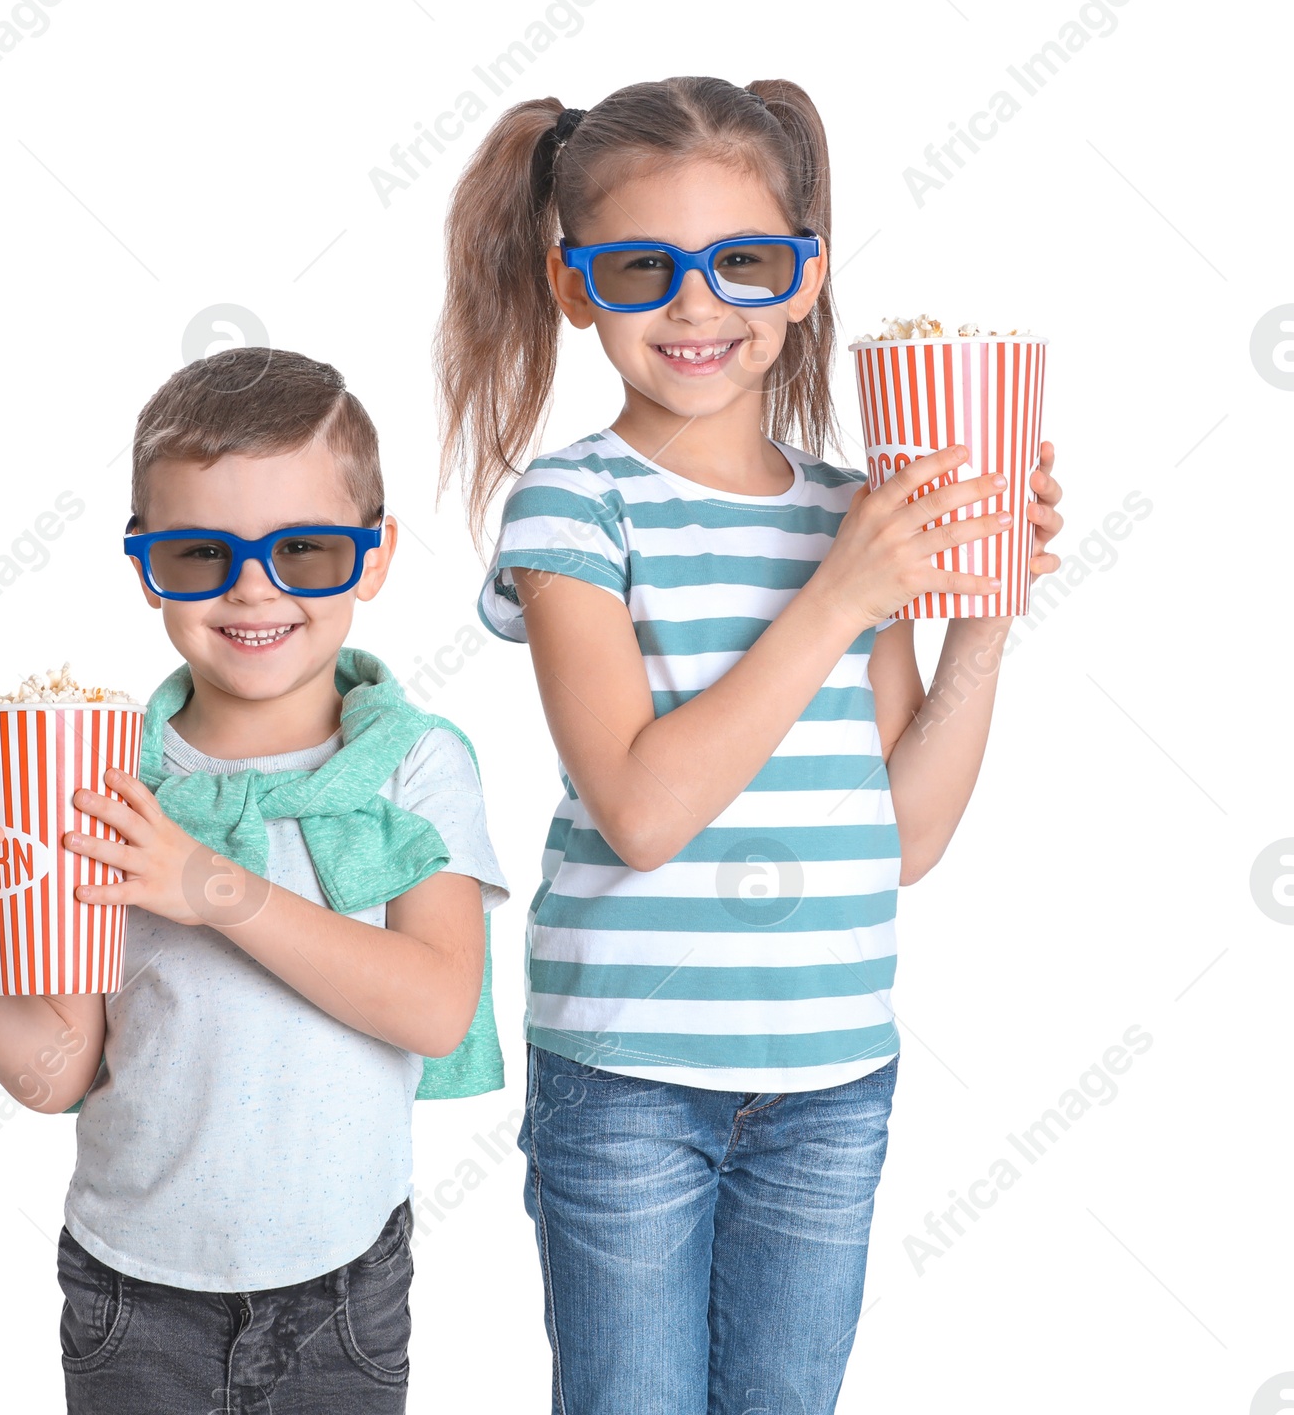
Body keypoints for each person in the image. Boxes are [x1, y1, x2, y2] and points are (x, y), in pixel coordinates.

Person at [434, 75, 1065, 1415]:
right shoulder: (573, 506)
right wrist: (843, 592)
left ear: (803, 276)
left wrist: (980, 621)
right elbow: (643, 812)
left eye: (744, 262)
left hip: (834, 1076)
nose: (698, 304)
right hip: (630, 1083)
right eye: (645, 267)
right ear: (573, 283)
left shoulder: (854, 506)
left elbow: (907, 839)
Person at [0, 348, 508, 1413]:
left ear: (374, 555)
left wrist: (211, 886)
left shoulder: (415, 763)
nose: (253, 585)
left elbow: (435, 1006)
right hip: (132, 1287)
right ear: (144, 566)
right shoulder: (99, 781)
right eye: (199, 552)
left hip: (342, 1285)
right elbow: (57, 1072)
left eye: (306, 549)